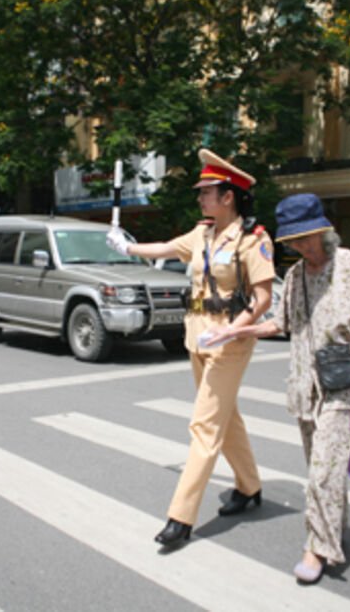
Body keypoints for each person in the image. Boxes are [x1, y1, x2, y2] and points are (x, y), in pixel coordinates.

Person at [204, 193, 350, 584]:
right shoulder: (295, 276)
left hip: (341, 385)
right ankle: (332, 531)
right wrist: (233, 331)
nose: (303, 246)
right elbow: (279, 323)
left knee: (323, 471)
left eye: (308, 237)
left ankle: (316, 548)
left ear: (324, 230)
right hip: (305, 385)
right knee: (324, 466)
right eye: (295, 241)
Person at [106, 149, 275, 547]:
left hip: (229, 342)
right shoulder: (203, 233)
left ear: (228, 196)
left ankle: (180, 517)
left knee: (203, 427)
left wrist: (232, 330)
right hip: (196, 334)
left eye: (206, 192)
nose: (200, 198)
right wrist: (126, 248)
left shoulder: (253, 240)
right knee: (224, 416)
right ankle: (249, 487)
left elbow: (263, 298)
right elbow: (165, 247)